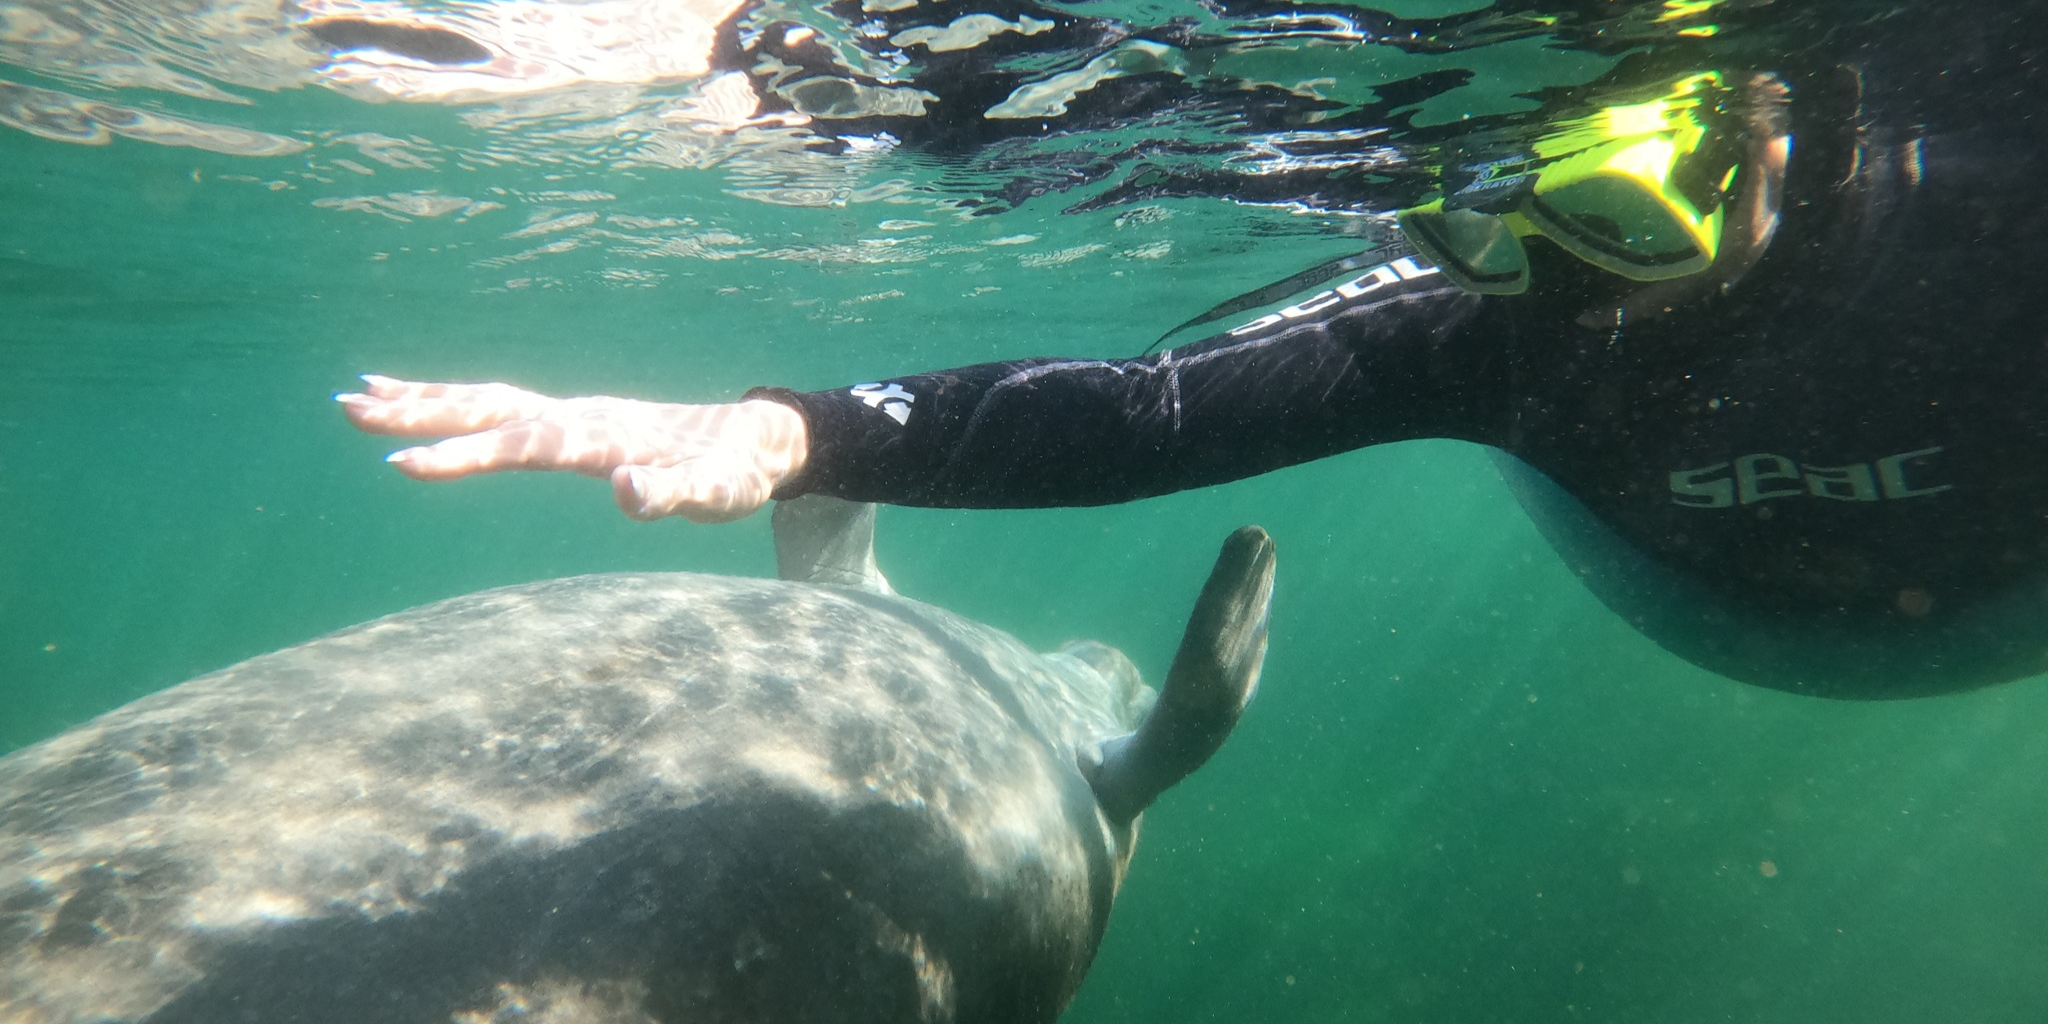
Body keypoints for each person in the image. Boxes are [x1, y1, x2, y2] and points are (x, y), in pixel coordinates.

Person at [340, 22, 2048, 699]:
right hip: (1723, 590)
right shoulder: (1496, 328)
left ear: (1777, 143)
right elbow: (1141, 413)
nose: (1559, 284)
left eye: (1616, 213)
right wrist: (791, 429)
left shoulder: (1998, 220)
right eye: (1480, 225)